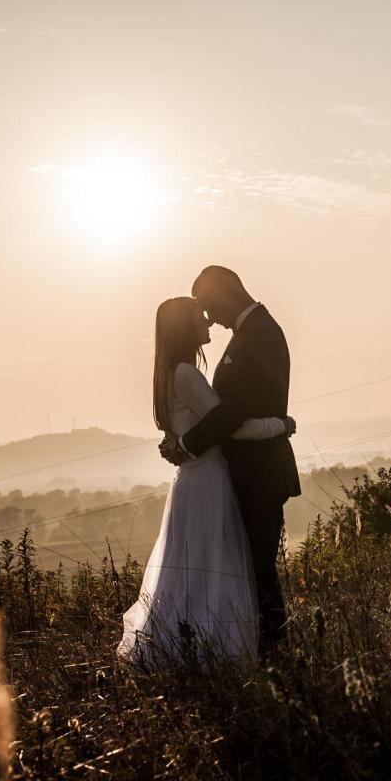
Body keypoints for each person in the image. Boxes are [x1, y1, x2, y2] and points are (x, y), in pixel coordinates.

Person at [118, 295, 296, 664]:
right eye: (199, 315)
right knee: (217, 566)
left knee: (193, 569)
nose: (208, 320)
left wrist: (182, 443)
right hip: (209, 482)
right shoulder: (186, 374)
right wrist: (279, 425)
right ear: (185, 325)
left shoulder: (169, 374)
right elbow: (229, 427)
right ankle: (215, 647)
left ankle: (188, 643)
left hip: (192, 482)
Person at [159, 266, 302, 657]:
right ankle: (257, 649)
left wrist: (187, 443)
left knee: (257, 567)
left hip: (259, 472)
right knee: (249, 567)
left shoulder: (258, 334)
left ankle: (273, 653)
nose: (206, 317)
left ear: (224, 293)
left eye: (206, 305)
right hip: (244, 471)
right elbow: (225, 413)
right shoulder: (251, 333)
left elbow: (231, 413)